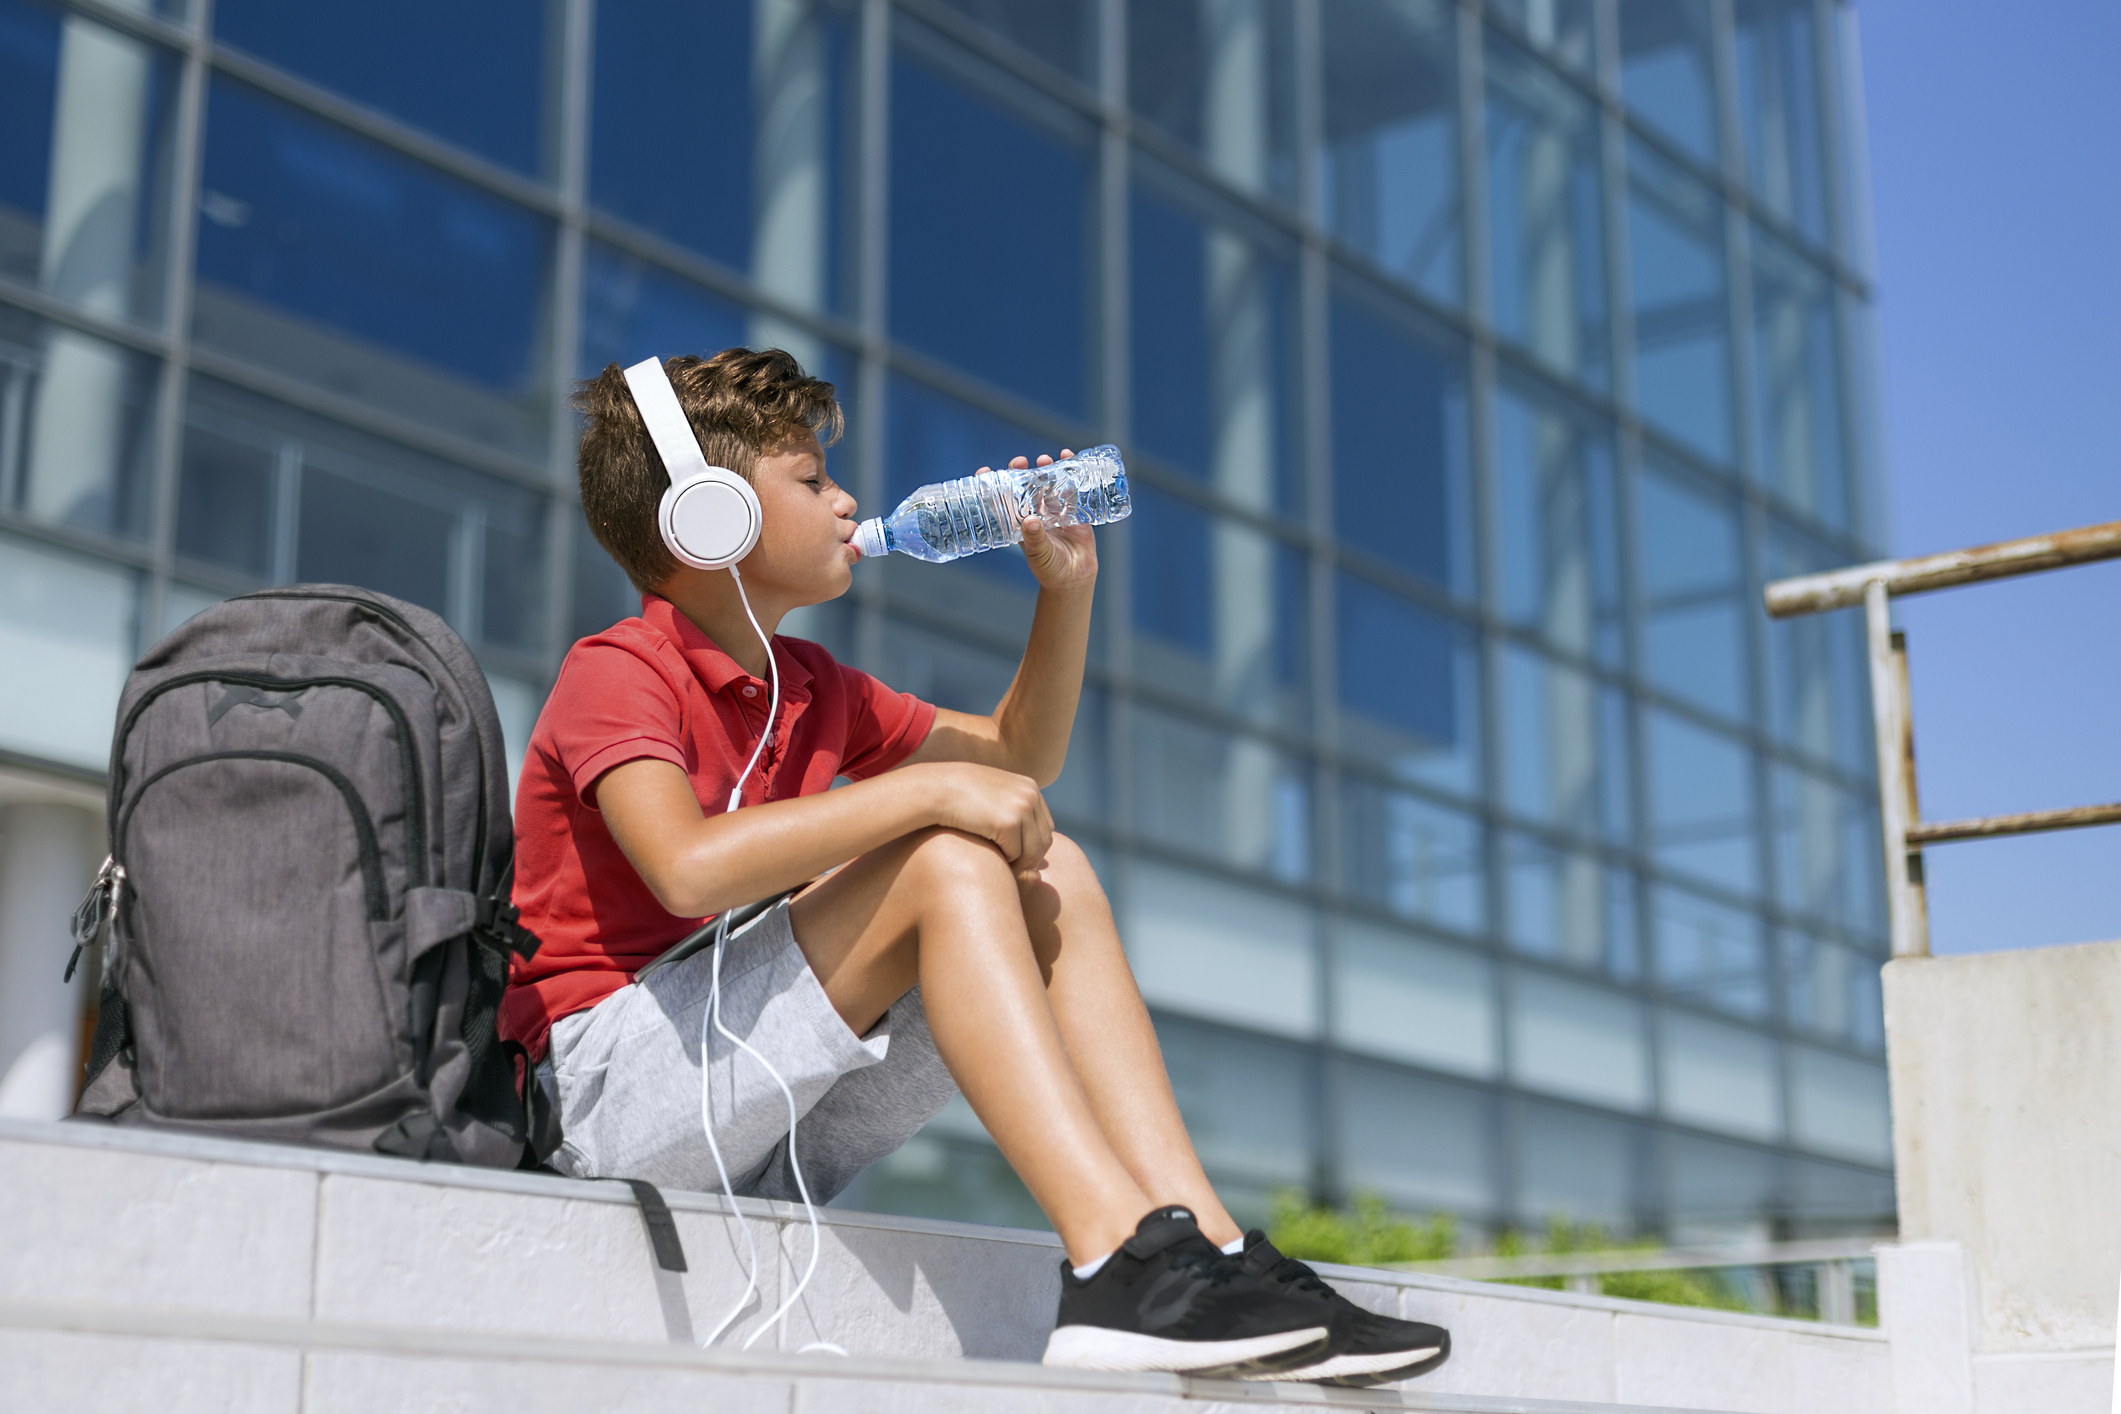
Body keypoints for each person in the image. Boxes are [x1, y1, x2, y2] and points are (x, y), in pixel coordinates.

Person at [502, 346, 1449, 1384]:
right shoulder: (619, 670)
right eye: (813, 480)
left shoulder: (814, 685)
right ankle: (1113, 1259)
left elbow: (1018, 757)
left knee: (1052, 874)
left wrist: (1066, 591)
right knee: (949, 858)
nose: (847, 498)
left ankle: (1207, 1251)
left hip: (763, 1103)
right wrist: (923, 795)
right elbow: (684, 870)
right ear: (708, 515)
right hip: (607, 1099)